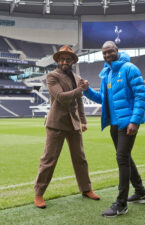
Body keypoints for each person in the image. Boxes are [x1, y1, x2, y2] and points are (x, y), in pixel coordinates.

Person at [80, 41, 145, 217]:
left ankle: (121, 204)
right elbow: (103, 99)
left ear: (116, 51)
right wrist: (87, 90)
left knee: (121, 158)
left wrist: (134, 121)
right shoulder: (107, 74)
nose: (107, 55)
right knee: (126, 158)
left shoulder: (129, 68)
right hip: (114, 124)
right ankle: (141, 193)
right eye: (104, 53)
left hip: (128, 124)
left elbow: (141, 95)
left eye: (110, 51)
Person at [34, 45, 100, 209]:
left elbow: (79, 102)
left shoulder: (77, 77)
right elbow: (61, 97)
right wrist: (81, 89)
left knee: (80, 159)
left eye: (67, 59)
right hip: (56, 123)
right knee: (49, 160)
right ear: (58, 60)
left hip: (74, 123)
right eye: (62, 58)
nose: (64, 61)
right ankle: (39, 194)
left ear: (72, 61)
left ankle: (86, 189)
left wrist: (83, 120)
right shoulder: (51, 76)